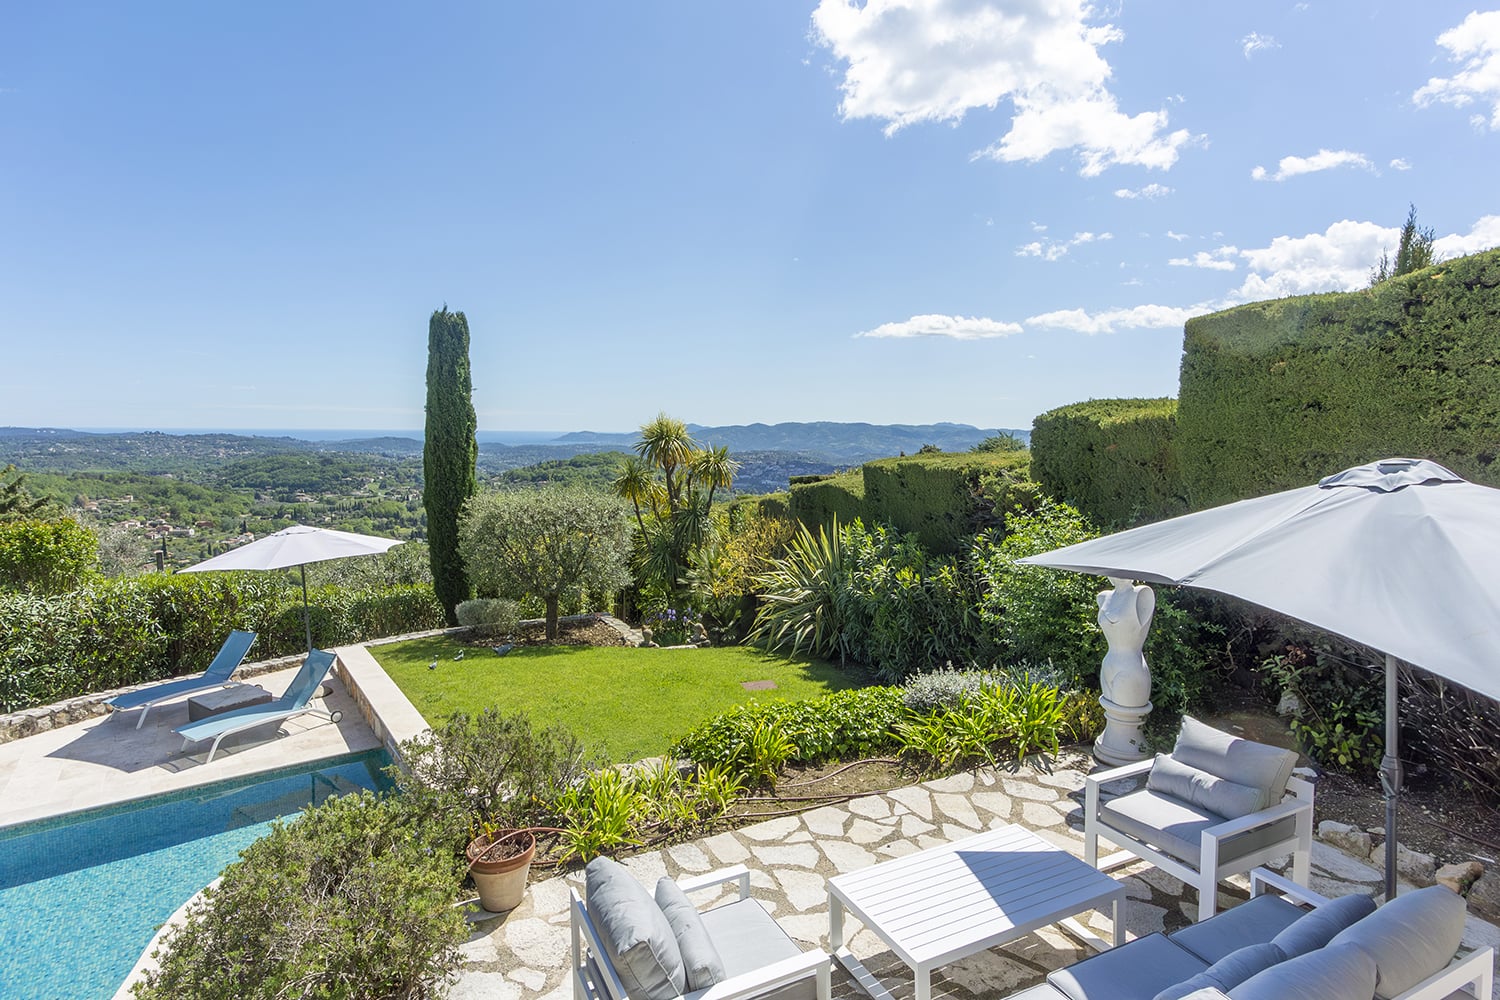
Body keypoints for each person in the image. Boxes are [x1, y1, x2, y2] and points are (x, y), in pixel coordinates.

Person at [1096, 576, 1154, 708]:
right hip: (1108, 664)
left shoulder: (1141, 594)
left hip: (1130, 669)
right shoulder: (1103, 597)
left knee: (1126, 723)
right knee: (1110, 717)